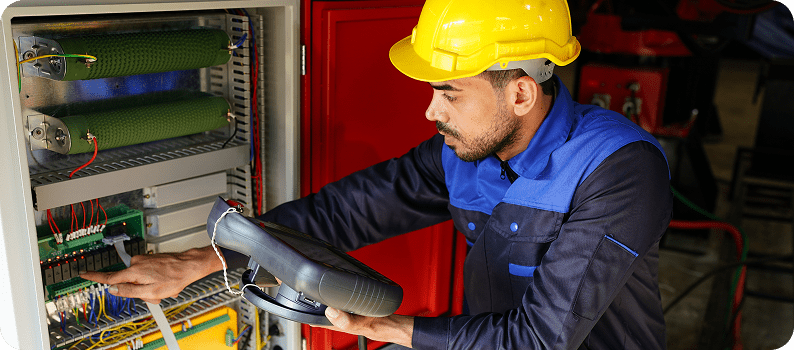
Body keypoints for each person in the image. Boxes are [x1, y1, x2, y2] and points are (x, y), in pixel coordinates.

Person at [81, 0, 673, 348]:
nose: (430, 111)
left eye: (448, 93)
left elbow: (537, 341)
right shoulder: (461, 153)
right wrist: (203, 260)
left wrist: (396, 329)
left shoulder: (618, 172)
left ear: (519, 92)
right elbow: (341, 214)